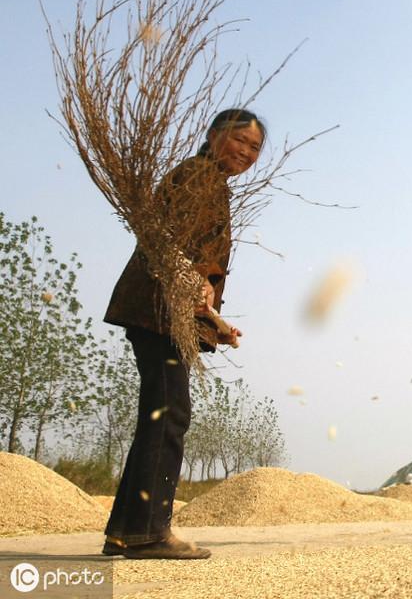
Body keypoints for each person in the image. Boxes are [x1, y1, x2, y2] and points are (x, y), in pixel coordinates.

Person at [101, 109, 265, 559]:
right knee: (170, 414)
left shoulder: (210, 183)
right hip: (158, 309)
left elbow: (195, 263)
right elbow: (163, 239)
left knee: (160, 413)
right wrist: (191, 283)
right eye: (241, 141)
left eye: (255, 148)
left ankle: (126, 531)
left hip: (167, 310)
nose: (248, 153)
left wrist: (217, 323)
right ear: (213, 136)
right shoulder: (197, 175)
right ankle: (150, 532)